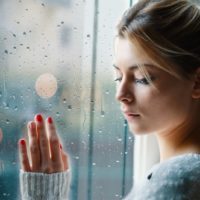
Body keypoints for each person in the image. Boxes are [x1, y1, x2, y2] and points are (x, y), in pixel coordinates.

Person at [18, 0, 200, 199]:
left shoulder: (174, 184)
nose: (120, 94)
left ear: (197, 82)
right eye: (118, 77)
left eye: (142, 78)